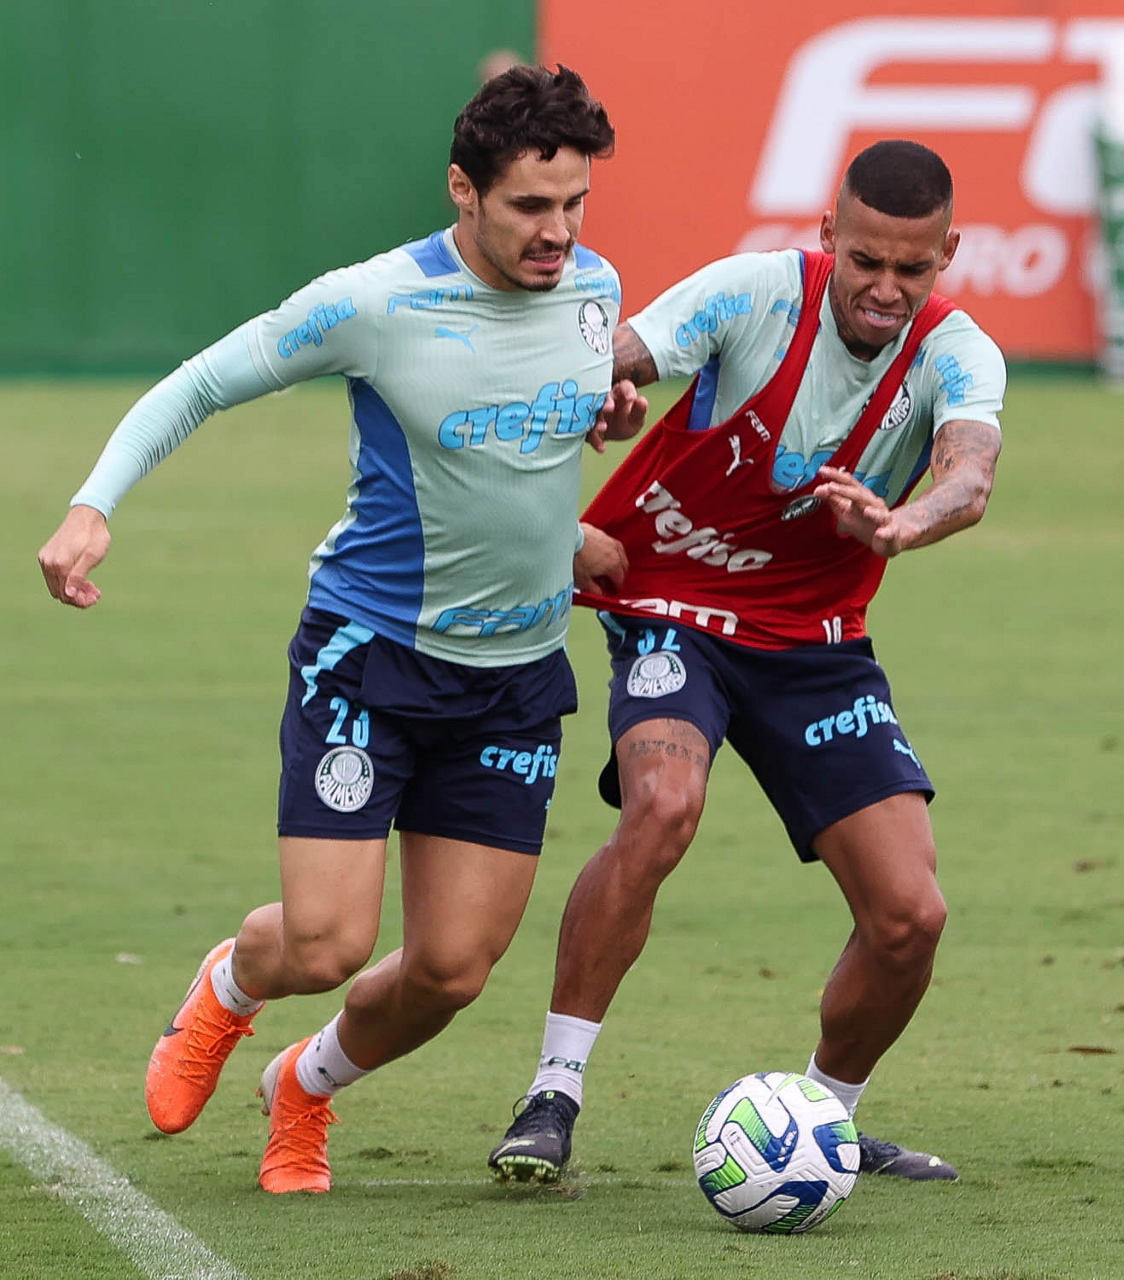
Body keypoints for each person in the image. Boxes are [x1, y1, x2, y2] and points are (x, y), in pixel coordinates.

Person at [38, 64, 643, 1195]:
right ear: (462, 190)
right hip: (371, 656)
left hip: (514, 677)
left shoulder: (594, 289)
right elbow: (198, 383)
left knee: (452, 971)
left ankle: (302, 1087)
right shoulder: (373, 303)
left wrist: (577, 493)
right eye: (529, 206)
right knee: (325, 944)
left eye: (574, 203)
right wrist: (92, 506)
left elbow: (526, 443)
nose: (557, 232)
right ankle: (228, 987)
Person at [488, 139, 1005, 1185]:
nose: (886, 288)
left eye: (912, 267)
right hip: (670, 611)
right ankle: (553, 1093)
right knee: (664, 805)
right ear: (828, 233)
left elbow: (969, 472)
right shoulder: (751, 294)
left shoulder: (958, 354)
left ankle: (826, 1120)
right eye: (865, 260)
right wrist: (592, 413)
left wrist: (902, 523)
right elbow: (599, 368)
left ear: (947, 253)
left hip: (815, 645)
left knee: (910, 917)